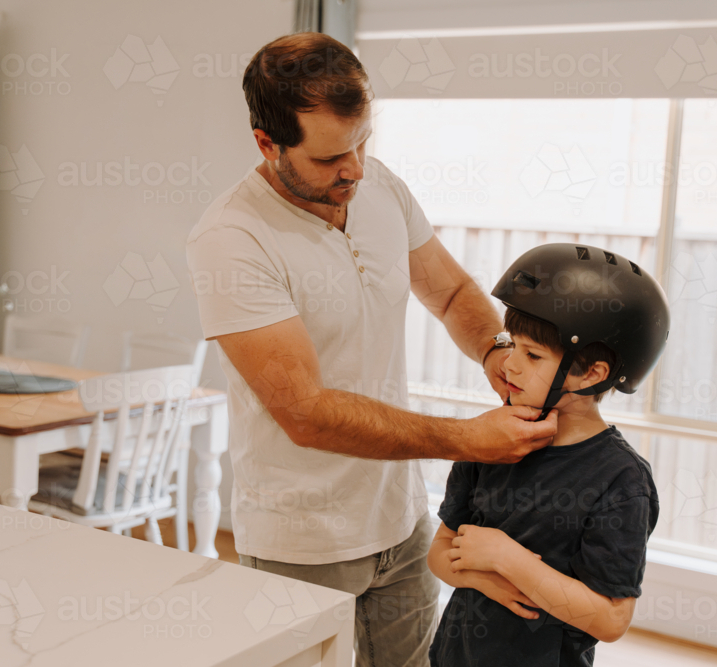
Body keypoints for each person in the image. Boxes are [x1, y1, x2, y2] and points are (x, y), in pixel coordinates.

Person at [185, 33, 557, 666]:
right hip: (300, 542)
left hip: (401, 522)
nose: (354, 168)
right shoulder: (231, 240)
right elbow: (304, 412)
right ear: (267, 144)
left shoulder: (376, 184)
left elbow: (449, 290)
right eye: (332, 156)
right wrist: (468, 439)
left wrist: (497, 351)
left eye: (363, 141)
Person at [427, 243, 671, 666]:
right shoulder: (489, 438)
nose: (508, 365)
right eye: (511, 345)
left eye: (533, 355)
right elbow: (439, 554)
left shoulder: (621, 480)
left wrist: (507, 558)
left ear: (592, 374)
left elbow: (611, 620)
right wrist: (487, 580)